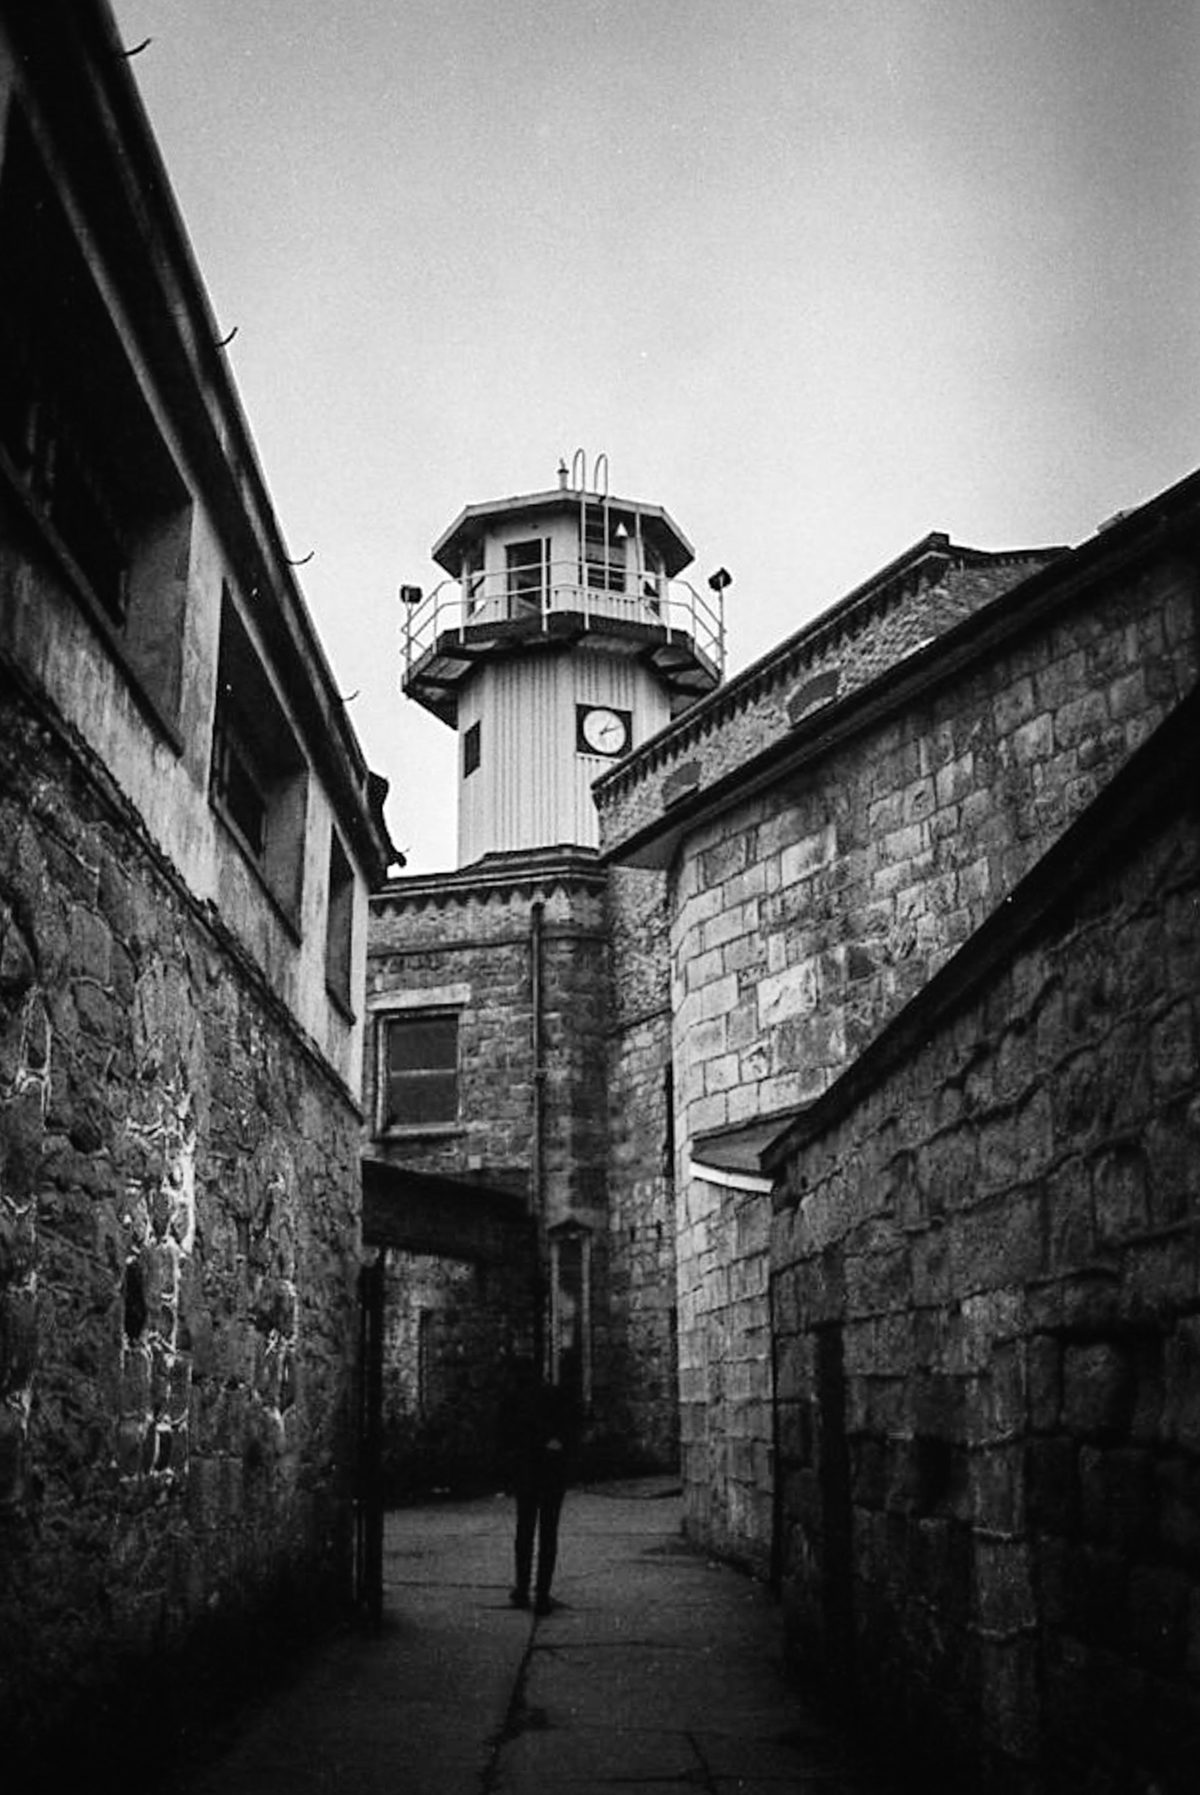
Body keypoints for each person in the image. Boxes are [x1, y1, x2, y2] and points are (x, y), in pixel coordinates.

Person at [500, 1359, 577, 1615]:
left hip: (527, 1473)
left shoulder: (514, 1400)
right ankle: (541, 1594)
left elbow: (505, 1436)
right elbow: (569, 1431)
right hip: (552, 1473)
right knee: (548, 1533)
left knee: (525, 1530)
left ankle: (522, 1588)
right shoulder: (555, 1397)